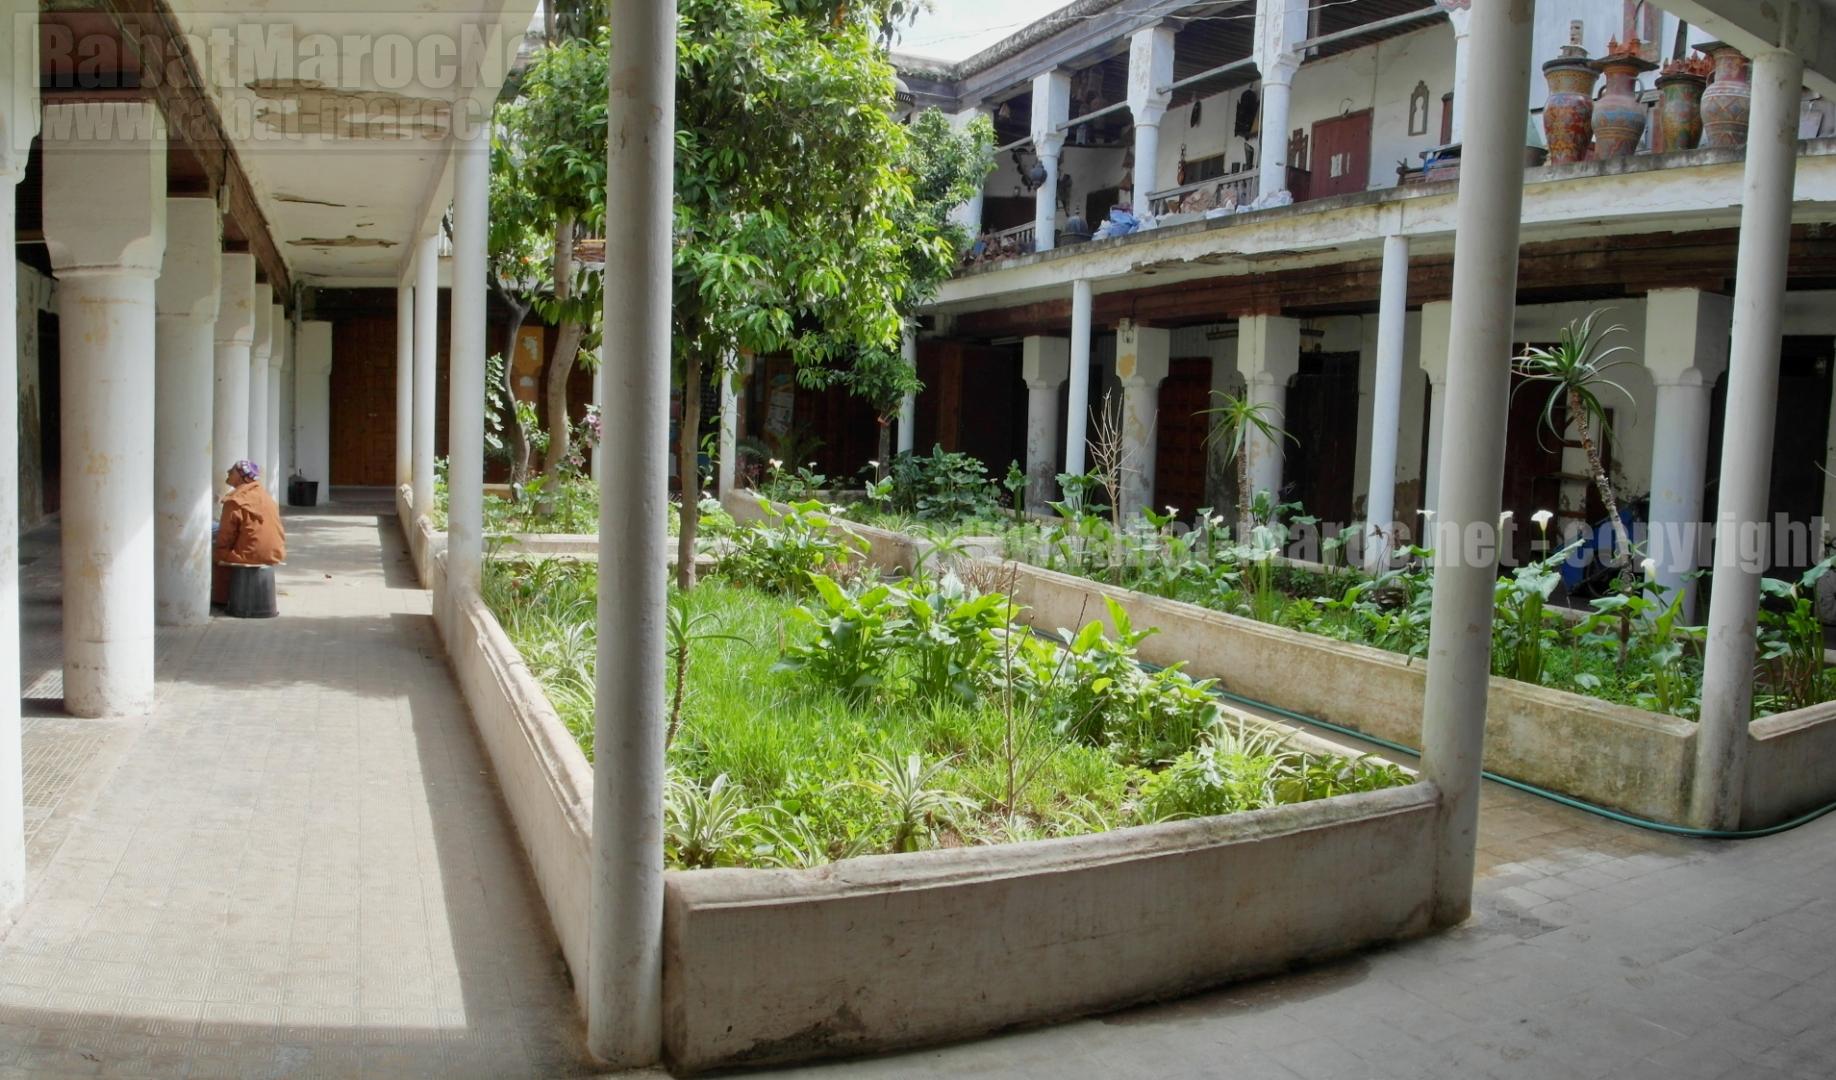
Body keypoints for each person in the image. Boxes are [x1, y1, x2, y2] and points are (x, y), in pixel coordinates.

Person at [212, 460, 286, 607]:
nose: (228, 472)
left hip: (250, 555)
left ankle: (222, 599)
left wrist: (219, 551)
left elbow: (225, 536)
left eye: (232, 470)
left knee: (214, 552)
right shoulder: (266, 498)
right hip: (275, 552)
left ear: (241, 478)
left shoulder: (235, 500)